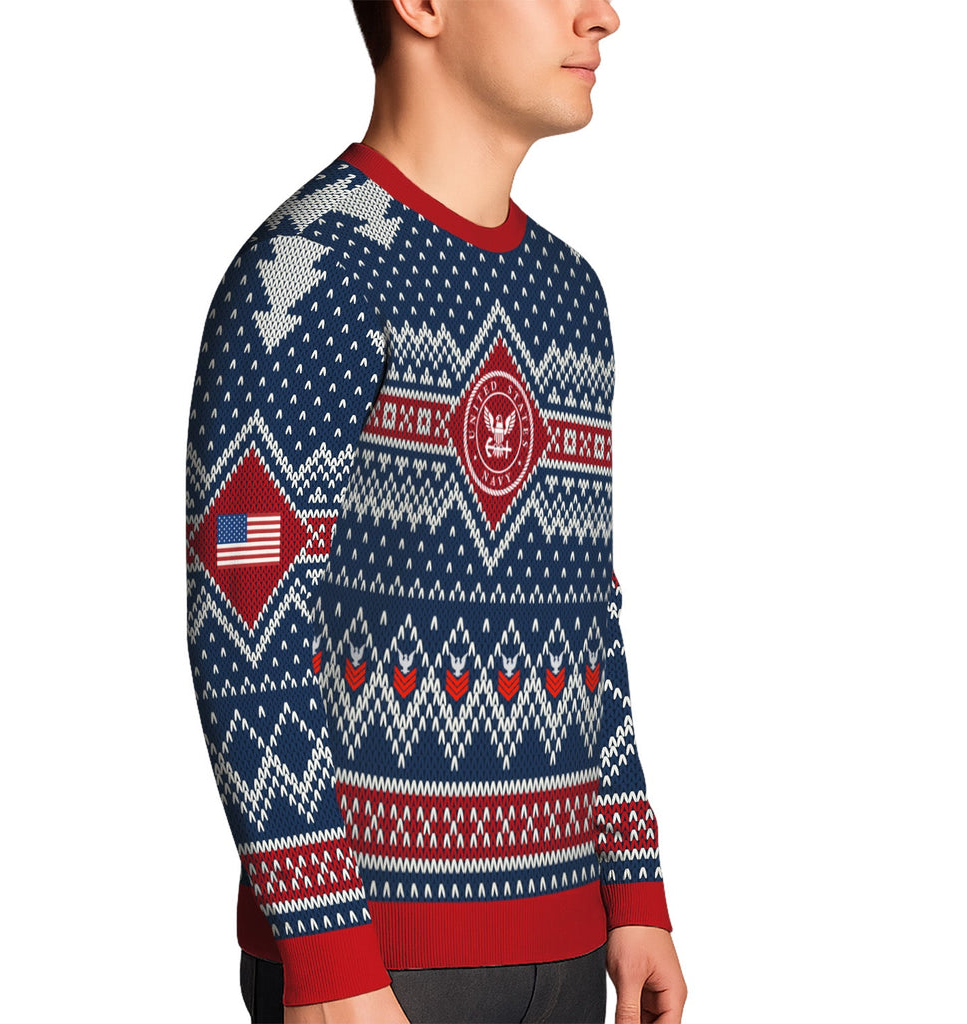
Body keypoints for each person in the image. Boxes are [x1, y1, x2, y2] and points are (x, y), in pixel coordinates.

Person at [185, 1, 688, 1021]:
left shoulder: (569, 295)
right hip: (377, 969)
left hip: (571, 947)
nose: (603, 16)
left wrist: (634, 888)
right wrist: (326, 953)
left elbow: (587, 616)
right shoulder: (308, 270)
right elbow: (243, 613)